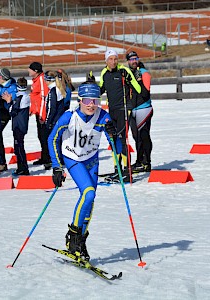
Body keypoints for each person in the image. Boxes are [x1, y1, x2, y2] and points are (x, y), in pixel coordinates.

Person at [47, 81, 117, 261]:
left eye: (95, 100)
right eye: (87, 100)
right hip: (72, 158)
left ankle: (80, 242)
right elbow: (52, 139)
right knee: (88, 193)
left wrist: (114, 135)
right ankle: (73, 236)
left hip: (91, 161)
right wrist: (57, 166)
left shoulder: (103, 117)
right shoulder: (68, 117)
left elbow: (117, 148)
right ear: (80, 101)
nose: (91, 104)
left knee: (90, 201)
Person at [99, 49, 141, 182]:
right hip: (112, 111)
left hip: (124, 109)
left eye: (115, 59)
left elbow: (138, 89)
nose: (113, 62)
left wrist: (129, 79)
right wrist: (91, 84)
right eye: (110, 59)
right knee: (113, 139)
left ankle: (127, 171)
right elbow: (100, 91)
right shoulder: (104, 73)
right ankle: (117, 169)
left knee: (123, 140)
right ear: (106, 61)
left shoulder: (123, 71)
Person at [126, 51, 153, 173]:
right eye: (131, 59)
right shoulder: (127, 74)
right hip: (133, 109)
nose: (134, 61)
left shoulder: (144, 73)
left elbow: (145, 93)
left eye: (135, 59)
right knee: (136, 137)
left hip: (144, 108)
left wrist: (138, 80)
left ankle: (146, 162)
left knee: (144, 136)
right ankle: (139, 161)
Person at [2, 77, 31, 176]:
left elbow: (12, 112)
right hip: (22, 125)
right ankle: (22, 168)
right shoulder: (25, 96)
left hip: (19, 126)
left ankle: (23, 168)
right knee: (19, 146)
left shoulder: (20, 98)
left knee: (19, 147)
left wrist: (8, 101)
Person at [0, 67, 17, 173]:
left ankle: (1, 162)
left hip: (5, 114)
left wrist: (4, 99)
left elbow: (11, 98)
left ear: (3, 77)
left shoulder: (11, 86)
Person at [28, 62, 50, 167]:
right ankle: (45, 156)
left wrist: (42, 115)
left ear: (35, 71)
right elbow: (34, 98)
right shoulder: (35, 80)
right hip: (38, 113)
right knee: (40, 136)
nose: (28, 71)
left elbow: (43, 98)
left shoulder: (41, 80)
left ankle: (48, 158)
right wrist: (32, 110)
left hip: (42, 114)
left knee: (44, 136)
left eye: (30, 69)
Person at [42, 70, 66, 169]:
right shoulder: (58, 89)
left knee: (52, 141)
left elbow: (51, 108)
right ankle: (59, 158)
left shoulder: (53, 91)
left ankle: (56, 160)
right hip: (58, 119)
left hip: (54, 120)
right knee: (57, 140)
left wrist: (47, 122)